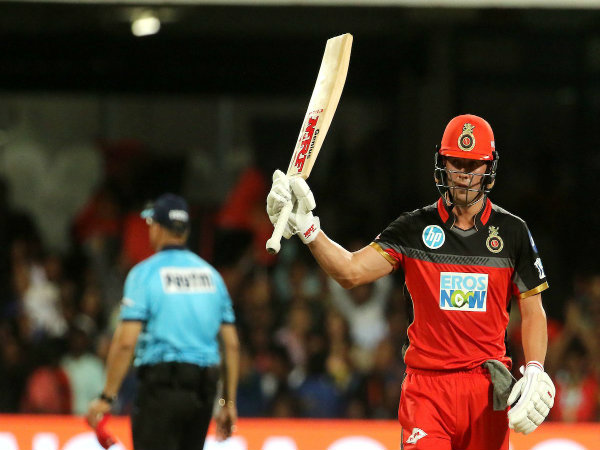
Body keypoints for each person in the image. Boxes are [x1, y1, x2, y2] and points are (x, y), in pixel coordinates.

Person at [267, 114, 555, 450]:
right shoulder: (413, 229)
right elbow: (351, 271)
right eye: (456, 162)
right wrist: (308, 229)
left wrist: (535, 368)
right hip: (428, 390)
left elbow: (533, 310)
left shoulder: (513, 232)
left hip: (487, 389)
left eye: (473, 165)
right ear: (442, 164)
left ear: (488, 168)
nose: (463, 174)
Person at [86, 193, 240, 450]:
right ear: (185, 231)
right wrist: (228, 402)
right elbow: (231, 345)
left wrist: (107, 397)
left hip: (161, 389)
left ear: (157, 228)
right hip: (202, 392)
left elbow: (125, 342)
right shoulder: (212, 277)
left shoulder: (144, 274)